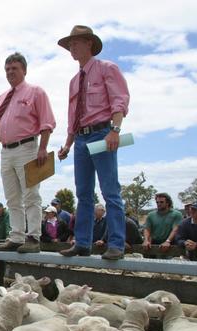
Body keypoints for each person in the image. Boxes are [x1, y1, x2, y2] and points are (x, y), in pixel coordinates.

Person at [57, 25, 130, 260]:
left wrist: (115, 130)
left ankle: (117, 243)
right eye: (69, 45)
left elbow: (119, 100)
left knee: (110, 190)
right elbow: (72, 115)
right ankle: (83, 243)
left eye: (75, 42)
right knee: (83, 193)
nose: (71, 48)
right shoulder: (73, 81)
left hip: (101, 133)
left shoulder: (107, 68)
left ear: (89, 43)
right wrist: (68, 143)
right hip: (80, 138)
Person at [0, 52, 56, 254]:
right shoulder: (2, 98)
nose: (10, 72)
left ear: (24, 70)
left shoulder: (36, 92)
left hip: (27, 147)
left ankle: (33, 237)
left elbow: (47, 122)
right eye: (7, 69)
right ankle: (16, 236)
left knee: (31, 195)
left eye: (14, 68)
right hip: (6, 151)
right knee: (12, 198)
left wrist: (42, 147)